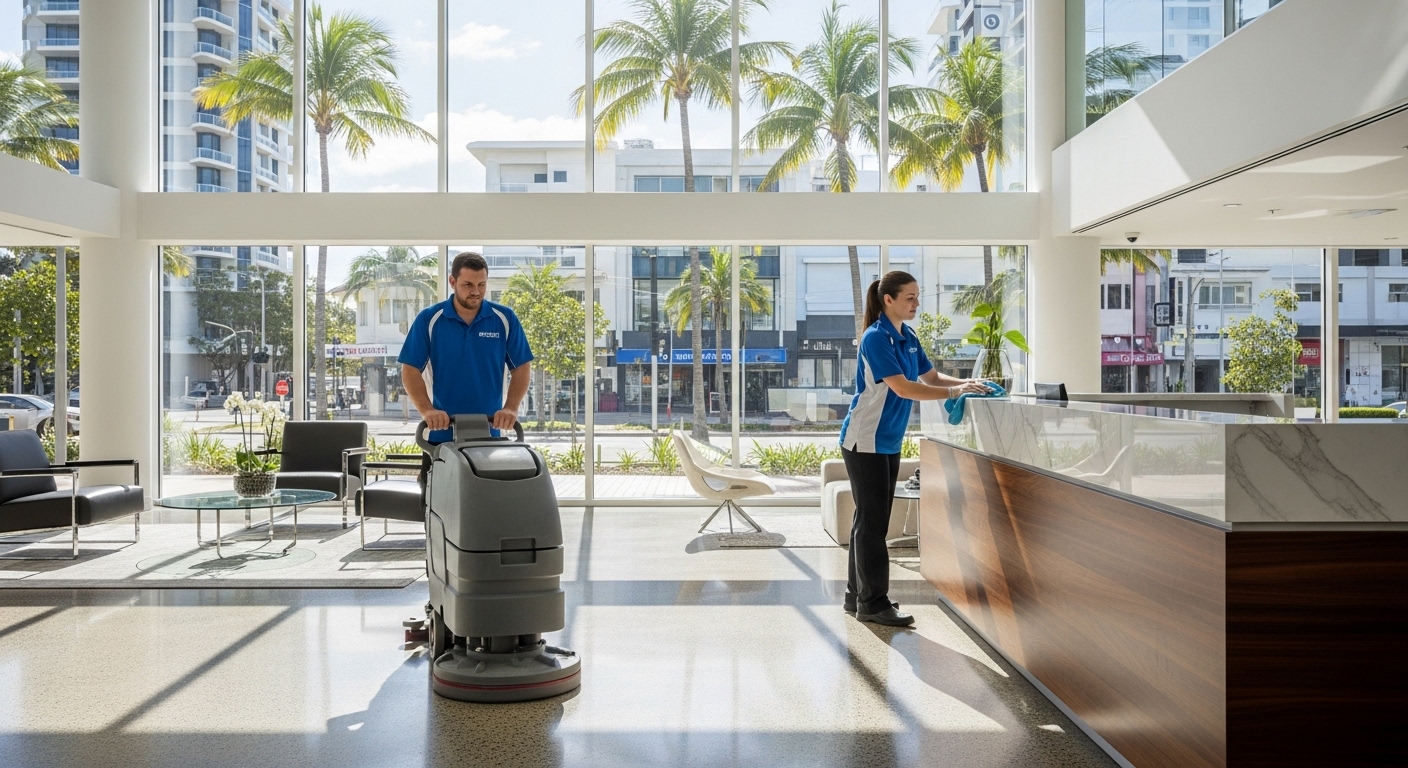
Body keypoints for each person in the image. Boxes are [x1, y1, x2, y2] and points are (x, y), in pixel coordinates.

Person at [838, 271, 991, 627]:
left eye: (917, 297)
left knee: (867, 520)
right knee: (873, 524)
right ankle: (873, 603)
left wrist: (967, 382)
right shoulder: (876, 338)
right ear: (887, 299)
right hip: (865, 440)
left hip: (887, 439)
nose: (916, 304)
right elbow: (904, 388)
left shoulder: (907, 337)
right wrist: (955, 394)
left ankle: (855, 595)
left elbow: (932, 379)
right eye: (910, 297)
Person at [399, 252, 533, 444]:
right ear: (452, 282)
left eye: (481, 285)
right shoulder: (429, 319)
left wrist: (510, 408)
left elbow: (521, 366)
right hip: (440, 434)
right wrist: (427, 410)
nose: (476, 292)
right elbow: (410, 369)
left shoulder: (504, 319)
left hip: (490, 432)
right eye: (468, 285)